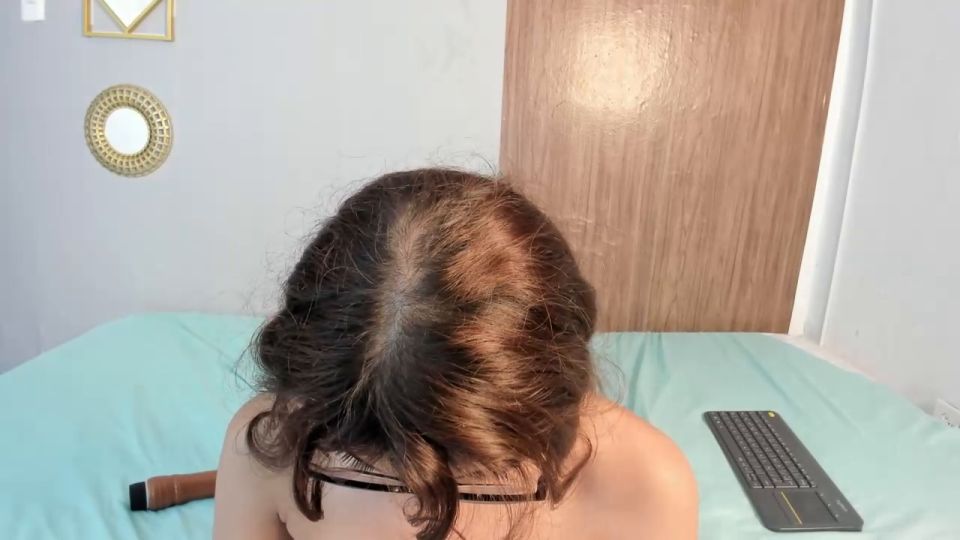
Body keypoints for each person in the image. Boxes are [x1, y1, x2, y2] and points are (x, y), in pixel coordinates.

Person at [213, 169, 697, 539]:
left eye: (483, 475)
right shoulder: (268, 446)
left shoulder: (649, 485)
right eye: (363, 467)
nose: (422, 515)